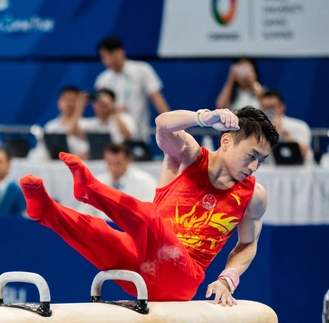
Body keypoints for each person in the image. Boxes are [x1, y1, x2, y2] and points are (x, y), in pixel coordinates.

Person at [20, 106, 279, 306]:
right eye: (251, 155)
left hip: (181, 279)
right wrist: (202, 118)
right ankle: (46, 210)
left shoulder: (253, 196)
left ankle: (92, 190)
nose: (254, 166)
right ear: (226, 141)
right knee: (99, 233)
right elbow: (162, 125)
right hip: (139, 271)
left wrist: (227, 280)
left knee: (150, 218)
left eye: (261, 160)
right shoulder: (187, 155)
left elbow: (247, 244)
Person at [95, 36, 169, 143]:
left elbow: (157, 99)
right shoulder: (102, 80)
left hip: (138, 137)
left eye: (111, 55)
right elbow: (100, 110)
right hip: (112, 141)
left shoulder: (142, 70)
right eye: (104, 57)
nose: (108, 60)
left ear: (121, 52)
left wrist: (171, 124)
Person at [77, 142, 157, 221]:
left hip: (132, 229)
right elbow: (83, 213)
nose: (113, 168)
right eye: (109, 163)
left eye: (118, 163)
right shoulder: (97, 182)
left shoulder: (145, 182)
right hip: (103, 229)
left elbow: (150, 215)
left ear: (128, 160)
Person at [259, 89, 313, 163]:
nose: (269, 112)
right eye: (265, 108)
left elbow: (304, 154)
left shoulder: (300, 126)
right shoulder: (258, 129)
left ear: (282, 107)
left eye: (272, 107)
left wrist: (284, 133)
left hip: (301, 170)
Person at [43, 85, 89, 158]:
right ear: (59, 102)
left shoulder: (87, 124)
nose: (69, 104)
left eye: (73, 100)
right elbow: (43, 150)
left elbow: (72, 130)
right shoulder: (51, 126)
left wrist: (79, 109)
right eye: (66, 100)